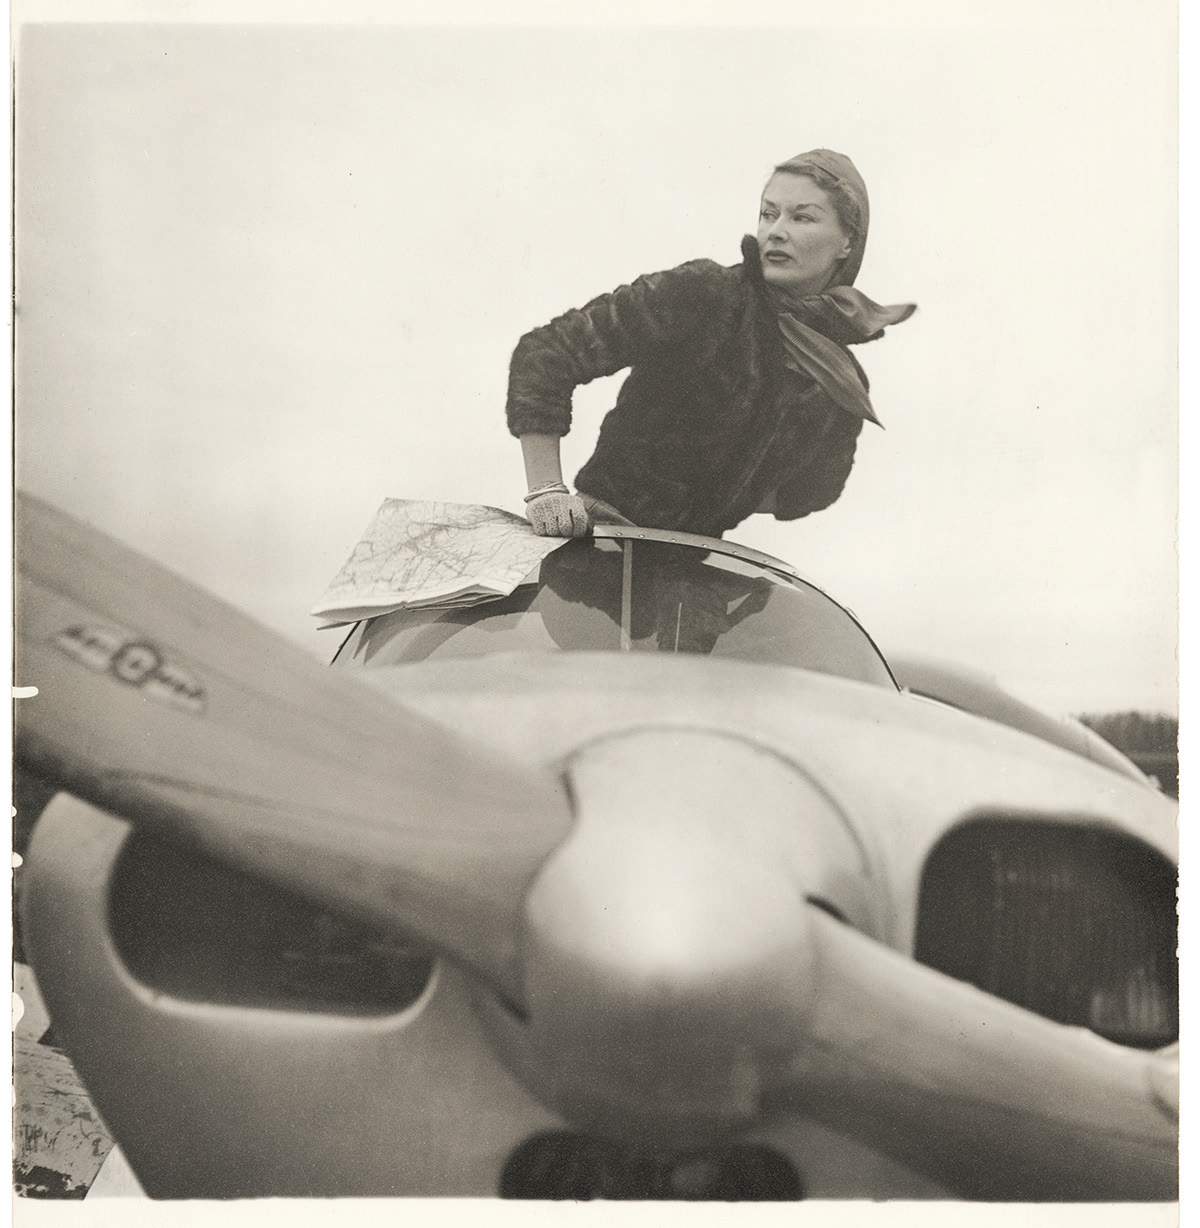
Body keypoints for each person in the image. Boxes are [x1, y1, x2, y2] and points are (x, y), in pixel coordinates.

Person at [506, 149, 915, 539]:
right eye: (768, 214)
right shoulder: (706, 293)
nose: (775, 231)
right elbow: (546, 353)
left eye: (802, 217)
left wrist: (723, 497)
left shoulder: (840, 377)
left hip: (699, 569)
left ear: (848, 241)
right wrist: (547, 491)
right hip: (604, 543)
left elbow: (814, 491)